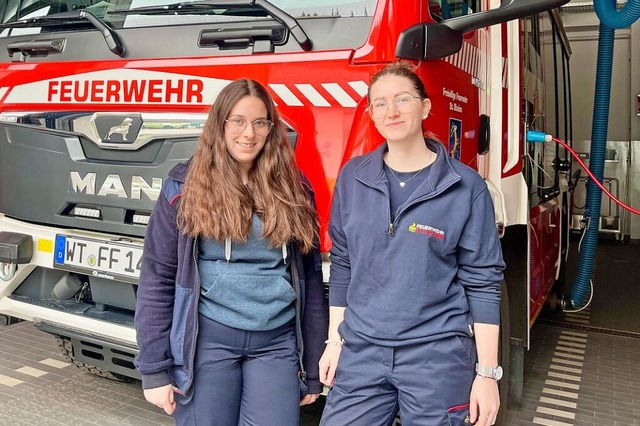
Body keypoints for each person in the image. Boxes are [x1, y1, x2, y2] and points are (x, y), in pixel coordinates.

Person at [319, 61, 506, 426]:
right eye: (380, 103)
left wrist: (486, 374)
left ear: (425, 106)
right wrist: (334, 343)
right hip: (362, 351)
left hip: (436, 357)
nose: (392, 111)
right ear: (371, 114)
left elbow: (483, 283)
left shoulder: (465, 187)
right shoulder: (352, 178)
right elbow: (343, 264)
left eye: (403, 99)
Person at [134, 79, 328, 425]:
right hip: (207, 340)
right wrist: (154, 369)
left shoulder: (295, 189)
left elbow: (311, 281)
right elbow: (158, 277)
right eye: (237, 121)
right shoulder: (183, 187)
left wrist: (311, 366)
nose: (248, 133)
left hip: (277, 343)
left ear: (271, 128)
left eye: (259, 122)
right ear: (219, 124)